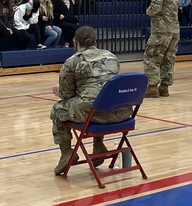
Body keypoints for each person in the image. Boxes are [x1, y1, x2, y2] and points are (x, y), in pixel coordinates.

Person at [50, 25, 132, 175]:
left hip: (93, 115)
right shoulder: (111, 56)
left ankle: (67, 153)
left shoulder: (73, 61)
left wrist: (58, 90)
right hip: (121, 113)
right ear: (95, 41)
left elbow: (67, 95)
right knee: (100, 100)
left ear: (76, 42)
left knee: (57, 109)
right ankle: (98, 144)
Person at [144, 0, 180, 98]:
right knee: (168, 58)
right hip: (174, 29)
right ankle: (164, 87)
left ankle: (152, 87)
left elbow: (156, 8)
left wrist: (148, 11)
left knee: (151, 57)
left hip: (161, 30)